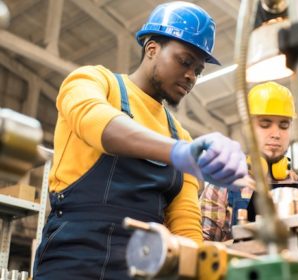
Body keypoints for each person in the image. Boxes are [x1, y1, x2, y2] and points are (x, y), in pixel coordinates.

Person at [32, 2, 248, 279]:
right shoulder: (94, 82)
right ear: (152, 49)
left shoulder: (180, 135)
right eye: (184, 61)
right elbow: (97, 121)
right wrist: (178, 153)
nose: (191, 76)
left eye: (198, 70)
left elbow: (185, 227)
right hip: (74, 259)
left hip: (144, 267)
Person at [200, 81, 298, 241]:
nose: (276, 134)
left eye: (284, 125)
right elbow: (203, 249)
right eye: (265, 124)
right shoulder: (221, 187)